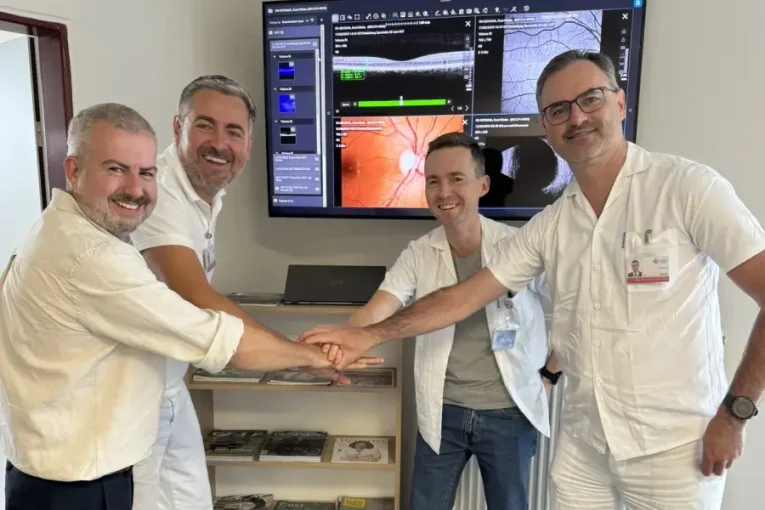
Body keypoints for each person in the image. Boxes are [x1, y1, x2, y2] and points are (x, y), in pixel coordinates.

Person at [300, 50, 765, 509]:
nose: (576, 118)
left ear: (620, 102)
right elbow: (461, 299)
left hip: (675, 449)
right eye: (559, 110)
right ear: (546, 127)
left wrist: (736, 412)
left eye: (591, 99)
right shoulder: (552, 225)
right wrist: (365, 335)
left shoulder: (685, 188)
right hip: (584, 447)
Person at [0, 103, 369, 510]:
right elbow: (216, 338)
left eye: (146, 173)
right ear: (74, 170)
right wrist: (309, 356)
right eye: (115, 169)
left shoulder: (62, 227)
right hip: (76, 484)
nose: (135, 189)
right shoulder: (90, 256)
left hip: (77, 458)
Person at [128, 75, 376, 510]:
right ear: (178, 128)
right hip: (130, 396)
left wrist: (303, 354)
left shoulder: (206, 195)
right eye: (204, 126)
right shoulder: (160, 192)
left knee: (193, 500)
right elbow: (197, 297)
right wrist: (304, 356)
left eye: (234, 132)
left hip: (167, 383)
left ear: (249, 142)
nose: (219, 144)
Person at [340, 132, 551, 510]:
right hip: (443, 411)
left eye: (456, 179)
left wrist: (551, 373)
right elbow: (378, 308)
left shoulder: (517, 246)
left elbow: (569, 305)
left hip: (507, 412)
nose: (444, 192)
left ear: (483, 185)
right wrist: (340, 343)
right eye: (433, 181)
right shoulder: (420, 253)